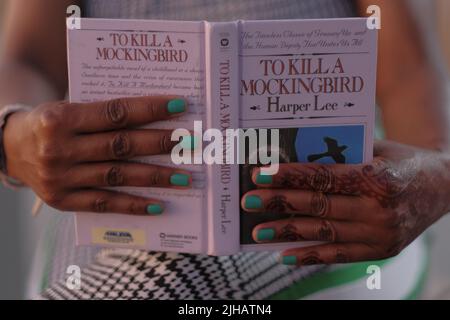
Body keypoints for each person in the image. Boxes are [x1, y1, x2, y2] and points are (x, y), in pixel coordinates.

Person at [0, 0, 449, 299]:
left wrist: (432, 177)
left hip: (331, 217)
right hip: (111, 216)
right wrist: (14, 133)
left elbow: (407, 73)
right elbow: (27, 58)